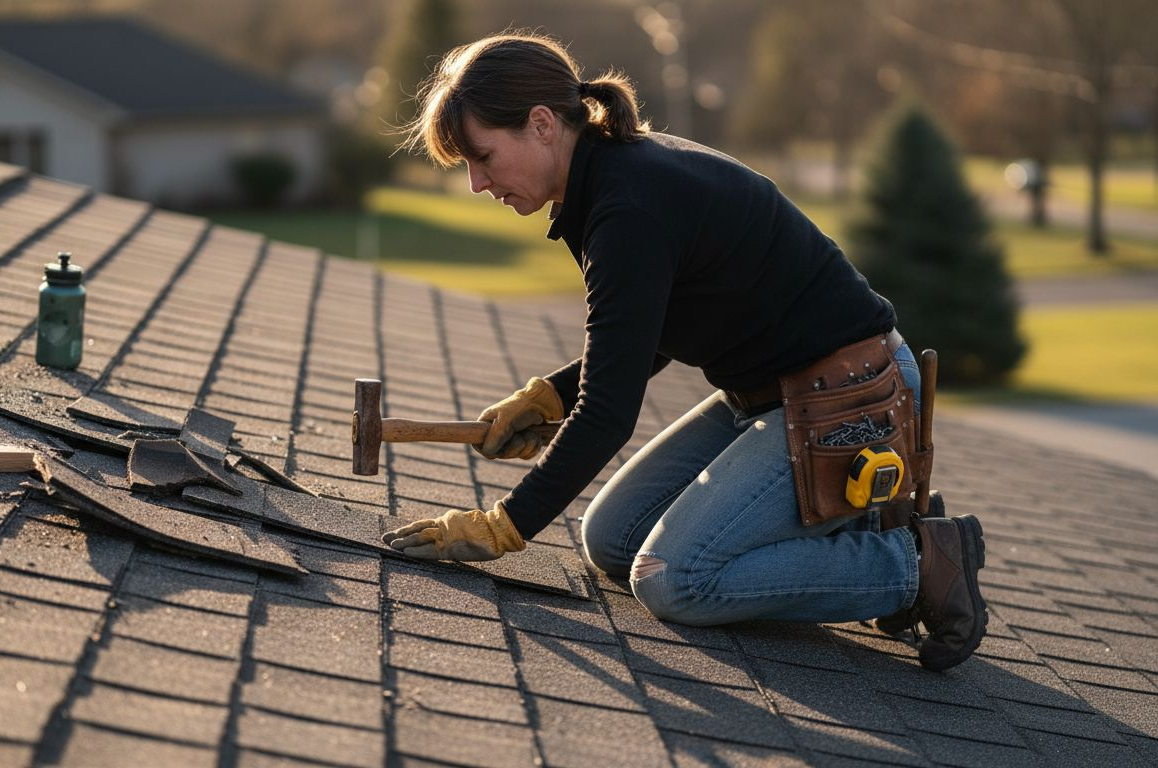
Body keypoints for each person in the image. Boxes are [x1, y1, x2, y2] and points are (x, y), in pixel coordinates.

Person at [381, 32, 987, 671]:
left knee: (674, 580)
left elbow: (608, 413)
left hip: (851, 396)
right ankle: (867, 524)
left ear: (540, 125)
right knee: (611, 540)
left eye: (483, 157)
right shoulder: (608, 177)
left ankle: (917, 563)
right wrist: (549, 397)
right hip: (773, 399)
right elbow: (650, 335)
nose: (477, 183)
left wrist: (504, 526)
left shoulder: (627, 204)